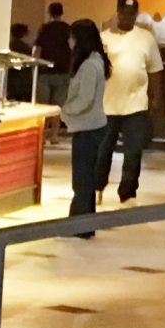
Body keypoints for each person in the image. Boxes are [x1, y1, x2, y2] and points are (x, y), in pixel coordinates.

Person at [100, 0, 164, 202]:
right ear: (117, 13)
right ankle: (98, 185)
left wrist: (155, 98)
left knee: (133, 151)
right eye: (123, 13)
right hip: (107, 104)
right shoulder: (103, 38)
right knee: (103, 149)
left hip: (136, 105)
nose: (127, 17)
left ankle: (127, 192)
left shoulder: (146, 38)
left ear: (136, 15)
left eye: (131, 14)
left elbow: (155, 70)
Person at [59, 16, 108, 232]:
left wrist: (65, 110)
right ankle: (84, 225)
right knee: (84, 179)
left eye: (71, 37)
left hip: (88, 128)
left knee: (82, 180)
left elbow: (85, 99)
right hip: (91, 126)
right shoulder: (95, 61)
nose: (69, 42)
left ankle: (79, 226)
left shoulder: (89, 65)